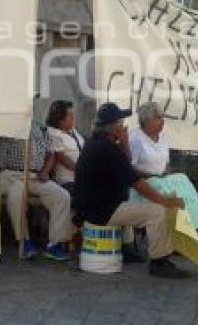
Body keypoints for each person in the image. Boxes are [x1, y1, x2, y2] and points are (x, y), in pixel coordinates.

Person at [73, 103, 188, 279]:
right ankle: (159, 262)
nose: (124, 125)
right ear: (114, 127)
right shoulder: (106, 148)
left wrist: (124, 143)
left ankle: (127, 248)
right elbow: (136, 182)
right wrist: (163, 201)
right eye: (121, 122)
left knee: (135, 202)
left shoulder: (98, 143)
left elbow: (126, 167)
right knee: (157, 211)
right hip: (100, 211)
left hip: (96, 206)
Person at [0, 122, 71, 261]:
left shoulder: (40, 128)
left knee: (62, 196)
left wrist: (45, 171)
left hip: (34, 176)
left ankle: (55, 244)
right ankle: (24, 240)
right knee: (17, 192)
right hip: (10, 175)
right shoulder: (6, 123)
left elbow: (51, 152)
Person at [47, 100, 85, 192]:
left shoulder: (73, 130)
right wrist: (84, 172)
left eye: (73, 114)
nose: (73, 117)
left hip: (82, 178)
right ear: (59, 119)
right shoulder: (53, 133)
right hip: (67, 181)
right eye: (69, 115)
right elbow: (60, 157)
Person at [129, 102, 170, 178]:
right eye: (158, 118)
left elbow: (166, 163)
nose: (163, 121)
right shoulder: (135, 139)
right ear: (146, 120)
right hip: (142, 186)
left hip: (161, 185)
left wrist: (165, 180)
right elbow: (129, 169)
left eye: (162, 117)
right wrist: (153, 177)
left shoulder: (163, 136)